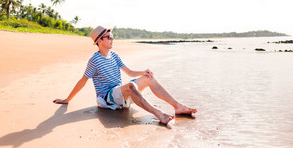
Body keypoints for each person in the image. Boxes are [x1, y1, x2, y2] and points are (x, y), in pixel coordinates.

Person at [53, 25, 197, 124]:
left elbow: (128, 72)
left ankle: (178, 106)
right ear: (99, 41)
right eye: (109, 37)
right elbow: (83, 81)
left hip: (120, 92)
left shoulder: (114, 55)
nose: (112, 39)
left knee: (148, 79)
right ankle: (158, 114)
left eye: (112, 36)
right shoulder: (94, 60)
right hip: (107, 98)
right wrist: (67, 99)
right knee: (130, 86)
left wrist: (143, 72)